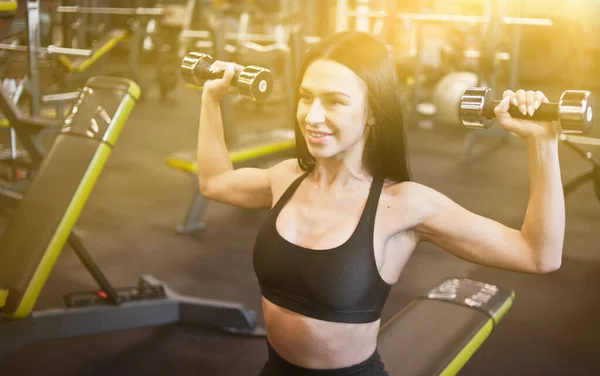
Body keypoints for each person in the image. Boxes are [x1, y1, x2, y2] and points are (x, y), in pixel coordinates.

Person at [196, 31, 564, 376]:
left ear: (372, 112)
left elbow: (538, 254)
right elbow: (214, 183)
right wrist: (210, 100)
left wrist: (543, 144)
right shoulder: (286, 177)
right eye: (306, 97)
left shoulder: (403, 204)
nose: (312, 116)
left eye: (335, 102)